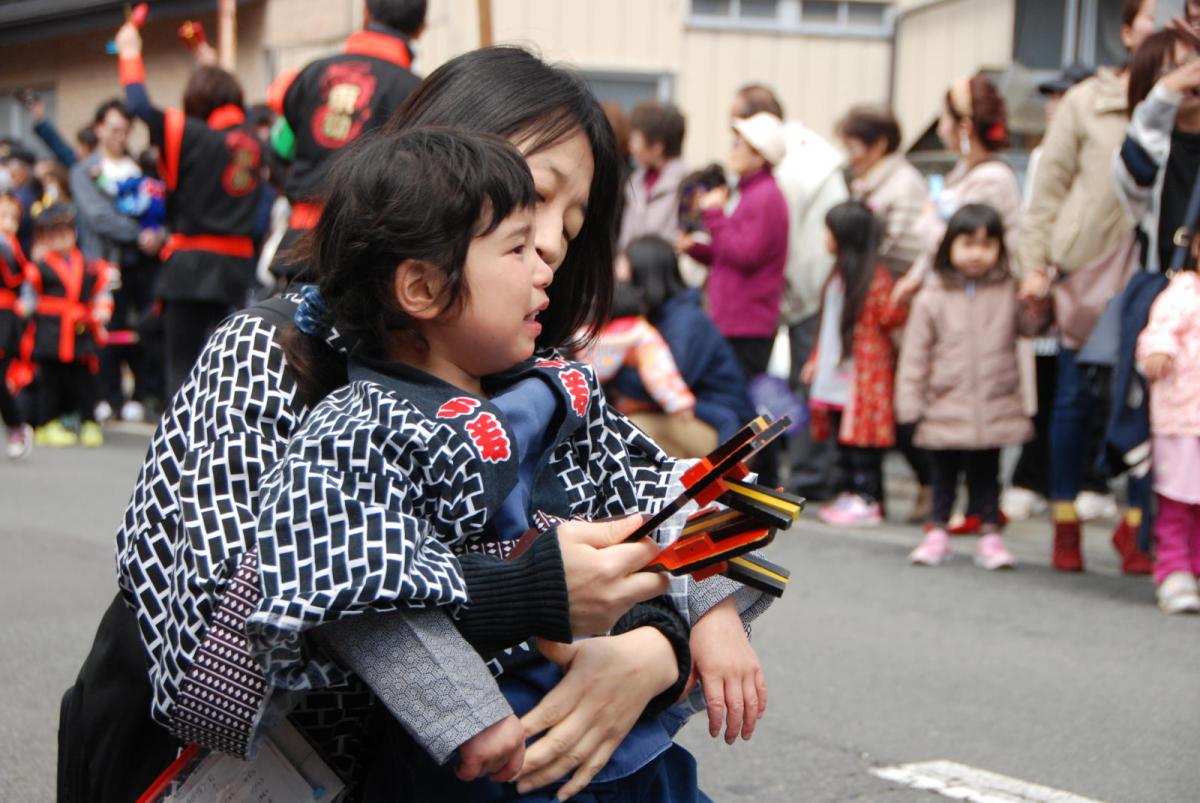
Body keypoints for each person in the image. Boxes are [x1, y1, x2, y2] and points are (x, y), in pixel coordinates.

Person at [66, 47, 767, 803]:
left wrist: (658, 647)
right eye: (535, 202)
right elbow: (213, 657)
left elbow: (676, 504)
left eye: (573, 223)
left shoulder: (535, 384)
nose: (556, 246)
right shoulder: (272, 352)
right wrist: (519, 589)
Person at [250, 126, 747, 801]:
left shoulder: (557, 388)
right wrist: (462, 713)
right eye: (516, 246)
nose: (546, 261)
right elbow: (360, 589)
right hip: (493, 749)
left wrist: (711, 609)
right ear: (423, 287)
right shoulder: (359, 425)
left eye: (562, 231)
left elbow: (660, 489)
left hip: (622, 734)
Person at [1017, 1, 1157, 541]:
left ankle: (1140, 527)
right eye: (1154, 14)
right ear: (1126, 30)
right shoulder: (1086, 100)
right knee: (1076, 398)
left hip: (1158, 272)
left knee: (1156, 406)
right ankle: (1065, 518)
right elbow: (1048, 189)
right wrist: (1035, 267)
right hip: (1088, 273)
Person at [115, 20, 264, 397]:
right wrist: (212, 67)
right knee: (231, 368)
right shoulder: (250, 138)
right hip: (236, 269)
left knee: (182, 367)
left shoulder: (188, 134)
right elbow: (235, 107)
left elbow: (139, 106)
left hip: (190, 267)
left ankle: (180, 450)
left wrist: (130, 54)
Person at [898, 205, 1045, 569]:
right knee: (942, 472)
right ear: (949, 246)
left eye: (986, 244)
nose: (977, 253)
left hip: (995, 402)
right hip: (943, 403)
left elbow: (1031, 328)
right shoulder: (931, 297)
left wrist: (1036, 300)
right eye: (967, 243)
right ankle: (937, 531)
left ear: (999, 248)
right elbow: (915, 355)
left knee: (987, 474)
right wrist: (909, 404)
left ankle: (990, 534)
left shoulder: (1009, 290)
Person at [731, 84, 847, 500]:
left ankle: (807, 475)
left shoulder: (785, 173)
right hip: (797, 292)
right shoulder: (810, 159)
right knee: (789, 385)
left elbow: (755, 248)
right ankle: (796, 472)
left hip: (800, 293)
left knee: (801, 384)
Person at [266, 0, 426, 285]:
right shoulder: (417, 92)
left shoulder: (312, 74)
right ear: (421, 28)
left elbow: (278, 150)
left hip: (301, 243)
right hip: (370, 254)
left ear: (366, 12)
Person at [837, 104, 933, 522]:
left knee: (898, 407)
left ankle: (930, 485)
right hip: (878, 302)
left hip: (894, 305)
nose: (850, 154)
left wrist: (868, 260)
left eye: (855, 145)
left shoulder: (903, 183)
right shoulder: (869, 181)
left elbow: (908, 248)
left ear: (878, 144)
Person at [802, 201, 906, 527]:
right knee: (842, 439)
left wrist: (902, 300)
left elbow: (887, 319)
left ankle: (868, 498)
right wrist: (817, 359)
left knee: (862, 443)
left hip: (863, 375)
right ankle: (850, 493)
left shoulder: (875, 278)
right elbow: (830, 324)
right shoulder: (840, 276)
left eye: (830, 231)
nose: (826, 238)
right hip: (837, 373)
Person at [605, 235, 754, 454]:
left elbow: (663, 385)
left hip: (728, 434)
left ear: (645, 276)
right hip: (692, 417)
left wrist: (607, 371)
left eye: (627, 280)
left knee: (632, 431)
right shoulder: (660, 316)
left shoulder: (686, 321)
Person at [681, 112, 789, 381]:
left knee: (739, 400)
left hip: (746, 324)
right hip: (735, 320)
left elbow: (746, 254)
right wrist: (696, 249)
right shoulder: (752, 192)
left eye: (740, 144)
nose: (733, 150)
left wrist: (715, 215)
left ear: (760, 155)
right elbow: (732, 252)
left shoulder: (765, 196)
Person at [1136, 243, 1200, 613]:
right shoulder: (1182, 292)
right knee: (1177, 501)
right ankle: (1175, 569)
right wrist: (1159, 352)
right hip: (1181, 418)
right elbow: (1157, 332)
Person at [21, 204, 112, 448]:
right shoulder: (38, 267)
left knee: (84, 378)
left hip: (80, 330)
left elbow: (101, 290)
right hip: (50, 331)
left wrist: (102, 307)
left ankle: (88, 421)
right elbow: (28, 297)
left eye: (65, 233)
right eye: (54, 235)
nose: (61, 239)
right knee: (50, 381)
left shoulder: (89, 265)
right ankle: (46, 423)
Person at [586, 282, 705, 456]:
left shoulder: (592, 332)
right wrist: (679, 402)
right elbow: (659, 373)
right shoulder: (642, 333)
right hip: (636, 407)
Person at [617, 100, 689, 252]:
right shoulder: (636, 180)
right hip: (630, 272)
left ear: (657, 147)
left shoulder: (686, 184)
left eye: (635, 138)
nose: (631, 146)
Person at [0, 205, 32, 459]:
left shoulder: (10, 247)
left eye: (12, 217)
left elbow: (19, 278)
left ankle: (16, 425)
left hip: (5, 316)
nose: (8, 222)